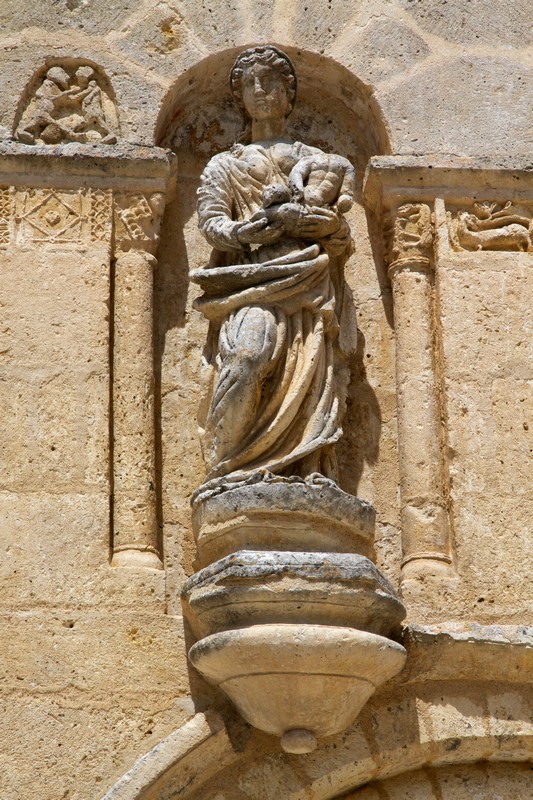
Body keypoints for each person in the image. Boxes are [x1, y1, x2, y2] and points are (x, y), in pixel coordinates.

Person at [192, 46, 355, 499]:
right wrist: (247, 231)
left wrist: (311, 222)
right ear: (241, 96)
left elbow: (340, 229)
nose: (261, 91)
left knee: (308, 372)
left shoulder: (322, 162)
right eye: (251, 83)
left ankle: (302, 466)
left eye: (272, 82)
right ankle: (228, 468)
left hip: (309, 280)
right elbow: (212, 223)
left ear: (289, 94)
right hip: (251, 280)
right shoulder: (225, 164)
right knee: (247, 357)